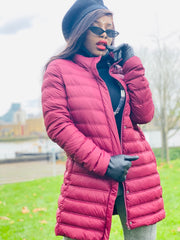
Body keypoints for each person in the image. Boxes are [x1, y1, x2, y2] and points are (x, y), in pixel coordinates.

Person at [41, 0, 165, 239]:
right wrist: (105, 163)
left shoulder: (118, 67)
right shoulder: (58, 69)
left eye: (110, 30)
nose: (105, 35)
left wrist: (132, 65)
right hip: (89, 178)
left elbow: (144, 115)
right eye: (96, 28)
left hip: (138, 176)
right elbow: (58, 125)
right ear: (79, 30)